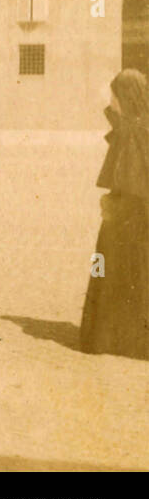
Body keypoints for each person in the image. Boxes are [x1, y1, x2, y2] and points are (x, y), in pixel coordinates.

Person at [79, 69, 149, 360]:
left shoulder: (135, 131)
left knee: (114, 269)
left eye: (115, 96)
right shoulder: (136, 126)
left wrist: (113, 202)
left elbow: (132, 181)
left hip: (128, 218)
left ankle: (111, 336)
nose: (112, 101)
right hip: (129, 214)